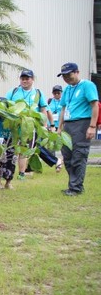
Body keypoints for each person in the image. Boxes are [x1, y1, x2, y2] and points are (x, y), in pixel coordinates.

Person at [56, 62, 99, 196]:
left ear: (77, 72)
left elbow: (95, 105)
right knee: (67, 156)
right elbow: (63, 109)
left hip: (82, 124)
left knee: (79, 156)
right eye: (63, 76)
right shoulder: (67, 89)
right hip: (68, 125)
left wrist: (92, 126)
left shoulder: (87, 85)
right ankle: (74, 185)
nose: (66, 78)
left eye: (69, 74)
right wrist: (59, 128)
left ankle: (76, 188)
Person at [5, 69, 51, 180]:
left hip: (30, 127)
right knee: (11, 150)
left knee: (24, 150)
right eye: (22, 78)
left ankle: (21, 174)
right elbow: (5, 106)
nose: (24, 81)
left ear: (32, 79)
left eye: (27, 78)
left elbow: (43, 109)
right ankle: (6, 173)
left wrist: (45, 125)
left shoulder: (38, 93)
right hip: (14, 126)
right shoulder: (14, 91)